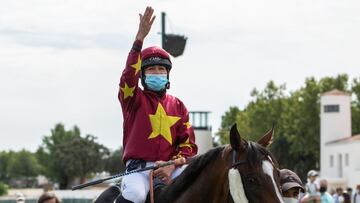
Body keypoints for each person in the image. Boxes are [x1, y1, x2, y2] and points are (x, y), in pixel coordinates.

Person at [114, 6, 197, 203]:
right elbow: (128, 76)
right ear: (142, 75)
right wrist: (138, 40)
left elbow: (189, 146)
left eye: (161, 69)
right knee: (135, 195)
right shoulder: (133, 99)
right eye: (151, 69)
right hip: (138, 170)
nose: (157, 72)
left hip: (171, 168)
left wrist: (172, 164)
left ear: (167, 75)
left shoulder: (179, 106)